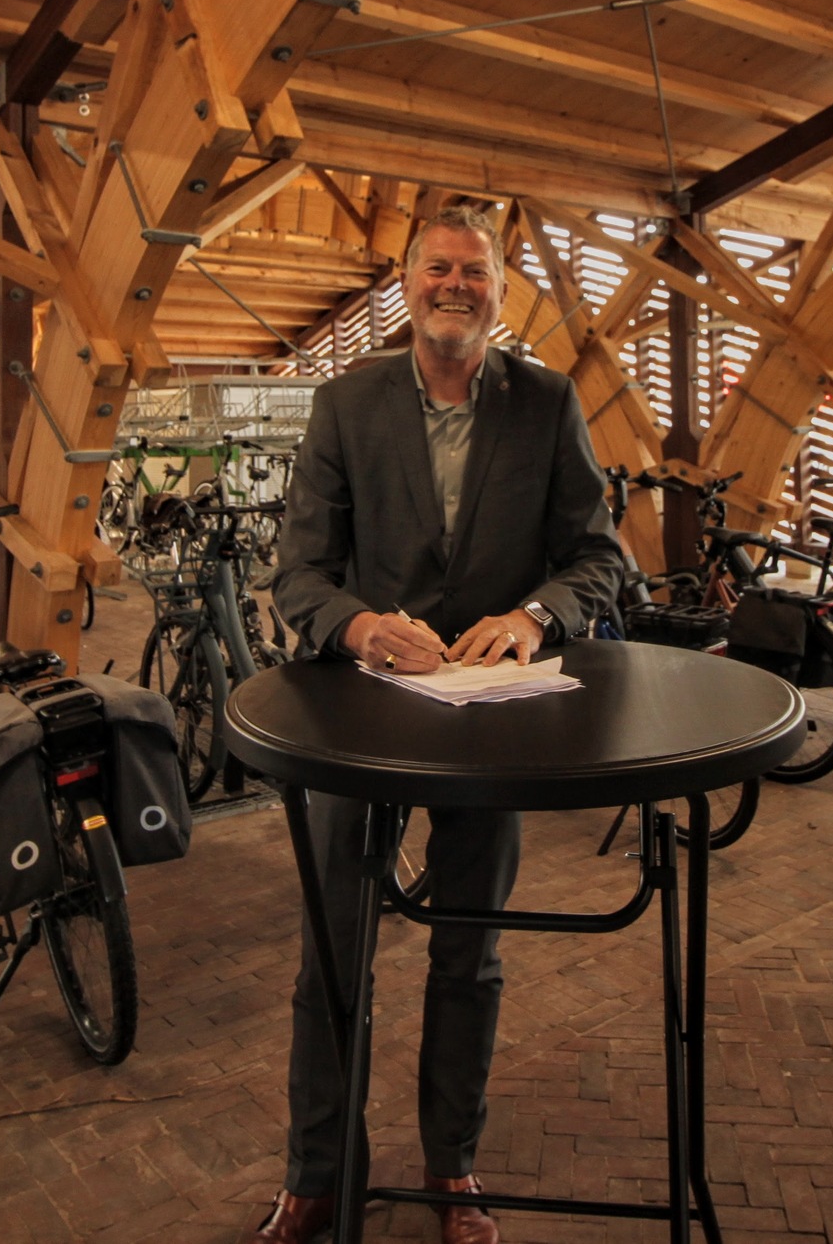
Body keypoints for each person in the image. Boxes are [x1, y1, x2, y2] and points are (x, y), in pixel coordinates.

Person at [247, 206, 626, 1244]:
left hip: (488, 723)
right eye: (437, 267)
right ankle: (318, 1176)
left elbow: (597, 553)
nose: (455, 284)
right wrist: (361, 625)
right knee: (334, 952)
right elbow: (299, 576)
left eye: (475, 271)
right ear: (404, 281)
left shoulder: (546, 405)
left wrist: (533, 615)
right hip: (359, 723)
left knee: (470, 955)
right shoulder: (345, 403)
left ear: (500, 291)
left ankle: (453, 1172)